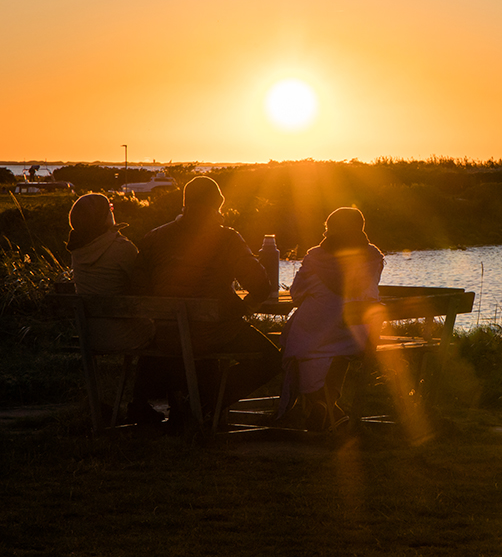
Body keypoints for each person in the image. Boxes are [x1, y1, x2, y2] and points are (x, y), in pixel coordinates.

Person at [133, 176, 282, 418]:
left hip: (167, 335)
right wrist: (246, 308)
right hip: (213, 333)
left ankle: (193, 403)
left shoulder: (154, 237)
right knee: (271, 360)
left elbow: (139, 286)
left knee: (198, 344)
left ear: (185, 203)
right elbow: (260, 285)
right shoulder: (227, 238)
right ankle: (206, 401)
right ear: (218, 206)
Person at [279, 207, 384, 430]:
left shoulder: (315, 257)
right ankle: (329, 406)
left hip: (314, 329)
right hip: (357, 332)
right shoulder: (373, 257)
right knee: (342, 351)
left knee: (299, 347)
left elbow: (296, 293)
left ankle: (319, 403)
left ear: (329, 230)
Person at [66, 193, 153, 352]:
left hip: (90, 335)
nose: (112, 211)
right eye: (110, 208)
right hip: (125, 335)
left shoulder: (77, 250)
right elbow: (144, 284)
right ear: (102, 217)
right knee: (160, 330)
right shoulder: (121, 248)